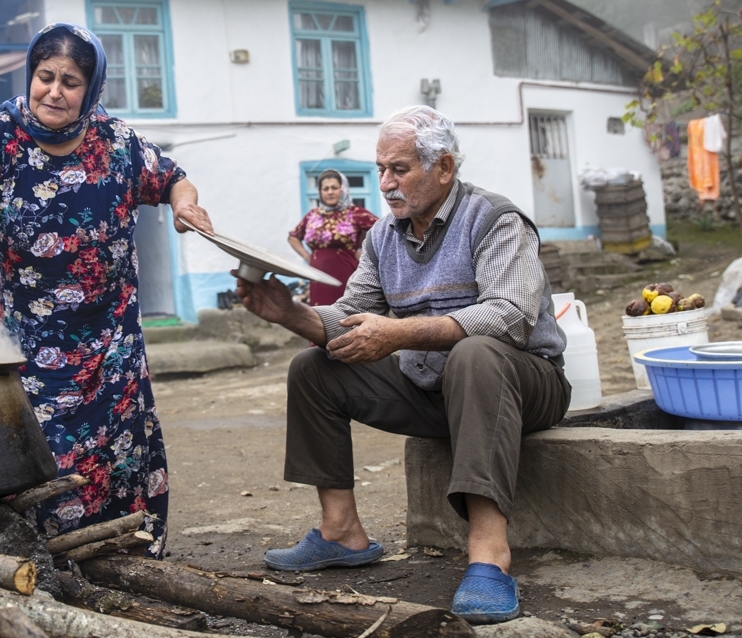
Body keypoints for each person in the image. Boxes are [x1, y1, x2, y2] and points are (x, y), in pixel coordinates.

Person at [236, 105, 569, 624]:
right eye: (381, 170)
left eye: (400, 169)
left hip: (525, 386)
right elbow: (349, 316)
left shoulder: (496, 220)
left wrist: (402, 333)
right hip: (436, 388)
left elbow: (510, 317)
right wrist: (291, 314)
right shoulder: (384, 236)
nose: (386, 184)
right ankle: (341, 532)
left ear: (444, 168)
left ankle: (489, 554)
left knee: (475, 352)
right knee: (313, 368)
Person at [0, 23, 212, 558]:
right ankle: (50, 568)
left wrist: (184, 204)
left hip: (114, 342)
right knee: (47, 464)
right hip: (31, 349)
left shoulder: (118, 142)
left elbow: (176, 177)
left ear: (92, 90)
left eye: (70, 81)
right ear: (30, 76)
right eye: (45, 77)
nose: (54, 92)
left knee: (120, 457)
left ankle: (126, 561)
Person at [287, 170, 378, 305]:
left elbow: (382, 229)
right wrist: (307, 257)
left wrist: (364, 252)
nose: (330, 192)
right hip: (317, 275)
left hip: (345, 273)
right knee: (319, 317)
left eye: (334, 188)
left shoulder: (355, 213)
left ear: (342, 189)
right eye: (326, 188)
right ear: (320, 192)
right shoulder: (313, 215)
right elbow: (293, 237)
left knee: (344, 314)